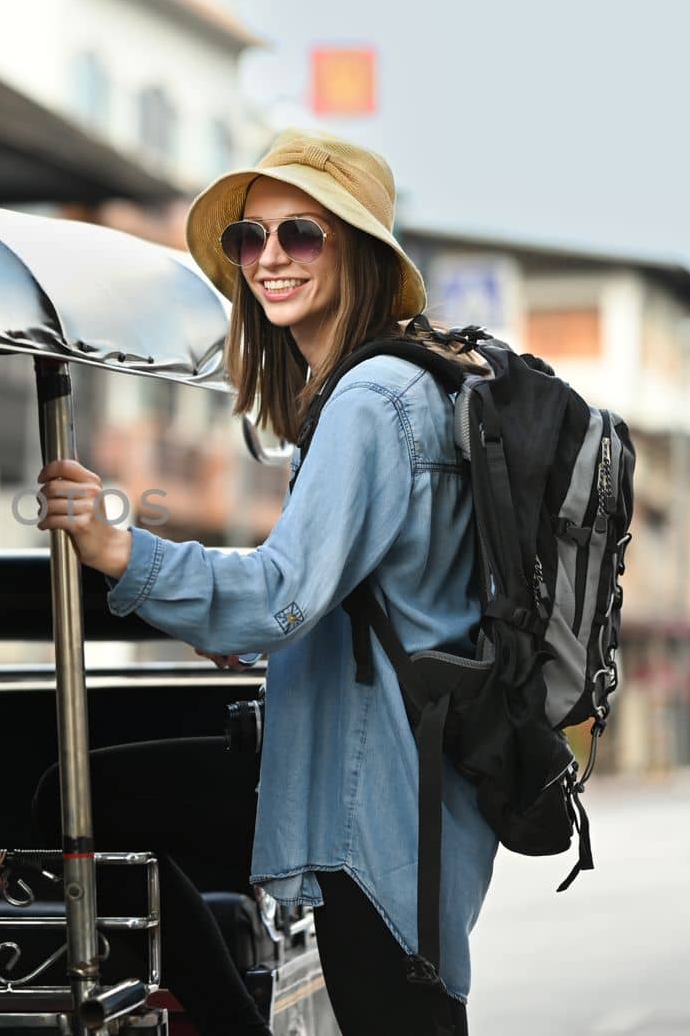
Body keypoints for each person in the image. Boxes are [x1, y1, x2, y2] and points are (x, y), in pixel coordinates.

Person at [35, 129, 494, 1035]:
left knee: (86, 798)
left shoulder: (373, 401)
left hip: (376, 797)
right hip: (403, 783)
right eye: (252, 239)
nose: (269, 259)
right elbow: (352, 595)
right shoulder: (408, 386)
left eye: (302, 236)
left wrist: (120, 547)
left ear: (358, 253)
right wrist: (236, 622)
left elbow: (282, 592)